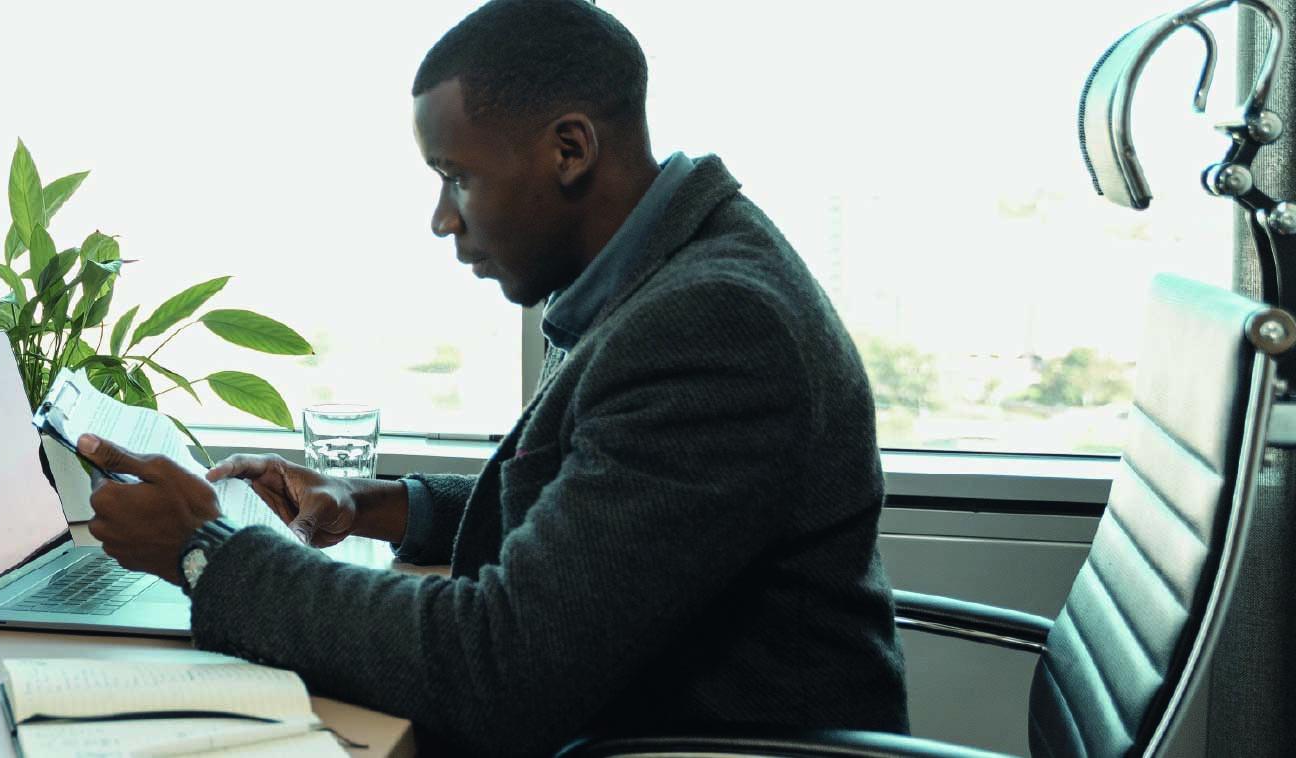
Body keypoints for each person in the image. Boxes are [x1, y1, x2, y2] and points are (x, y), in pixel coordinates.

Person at [73, 0, 909, 752]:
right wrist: (374, 504)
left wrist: (207, 552)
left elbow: (500, 670)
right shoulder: (664, 273)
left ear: (569, 149)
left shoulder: (714, 325)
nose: (442, 219)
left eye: (457, 177)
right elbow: (594, 508)